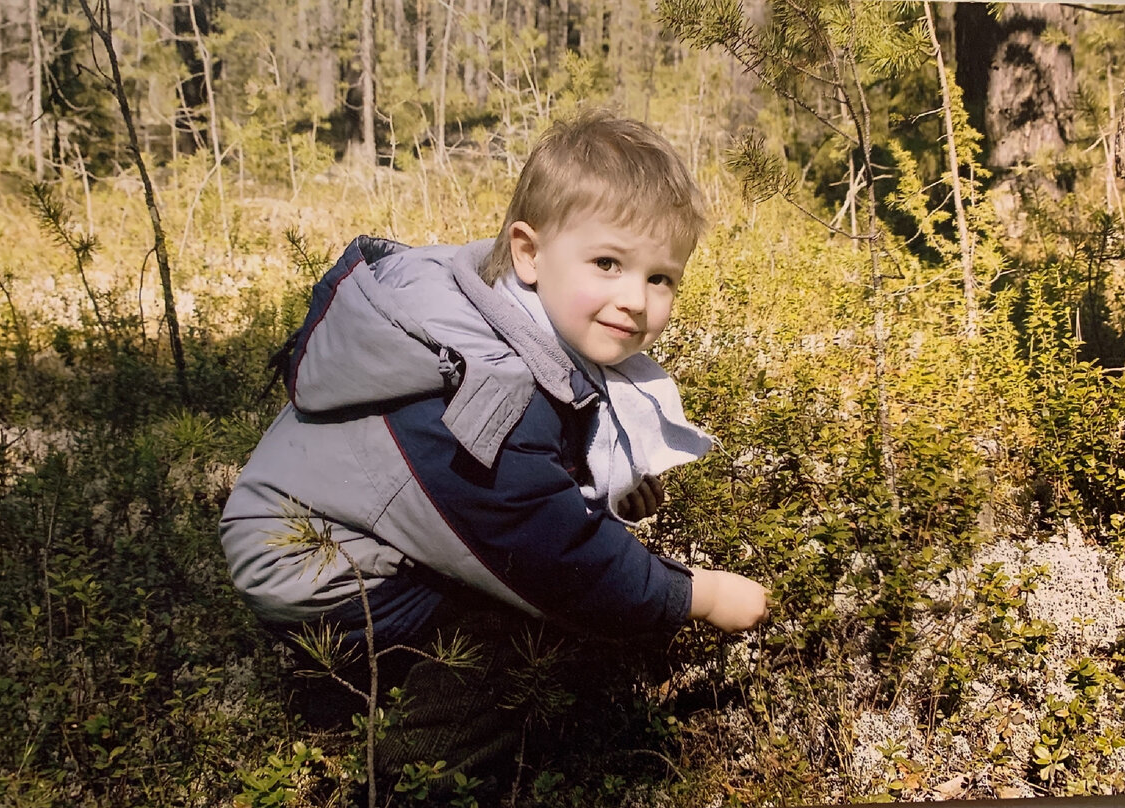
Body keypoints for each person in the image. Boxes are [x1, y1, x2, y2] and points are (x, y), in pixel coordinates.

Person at [219, 109, 769, 788]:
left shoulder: (502, 305)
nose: (636, 299)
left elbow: (521, 471)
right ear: (530, 251)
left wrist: (606, 488)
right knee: (527, 623)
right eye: (608, 263)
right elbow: (552, 554)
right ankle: (415, 777)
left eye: (661, 278)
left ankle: (360, 698)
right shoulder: (492, 386)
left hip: (331, 528)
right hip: (320, 572)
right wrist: (696, 594)